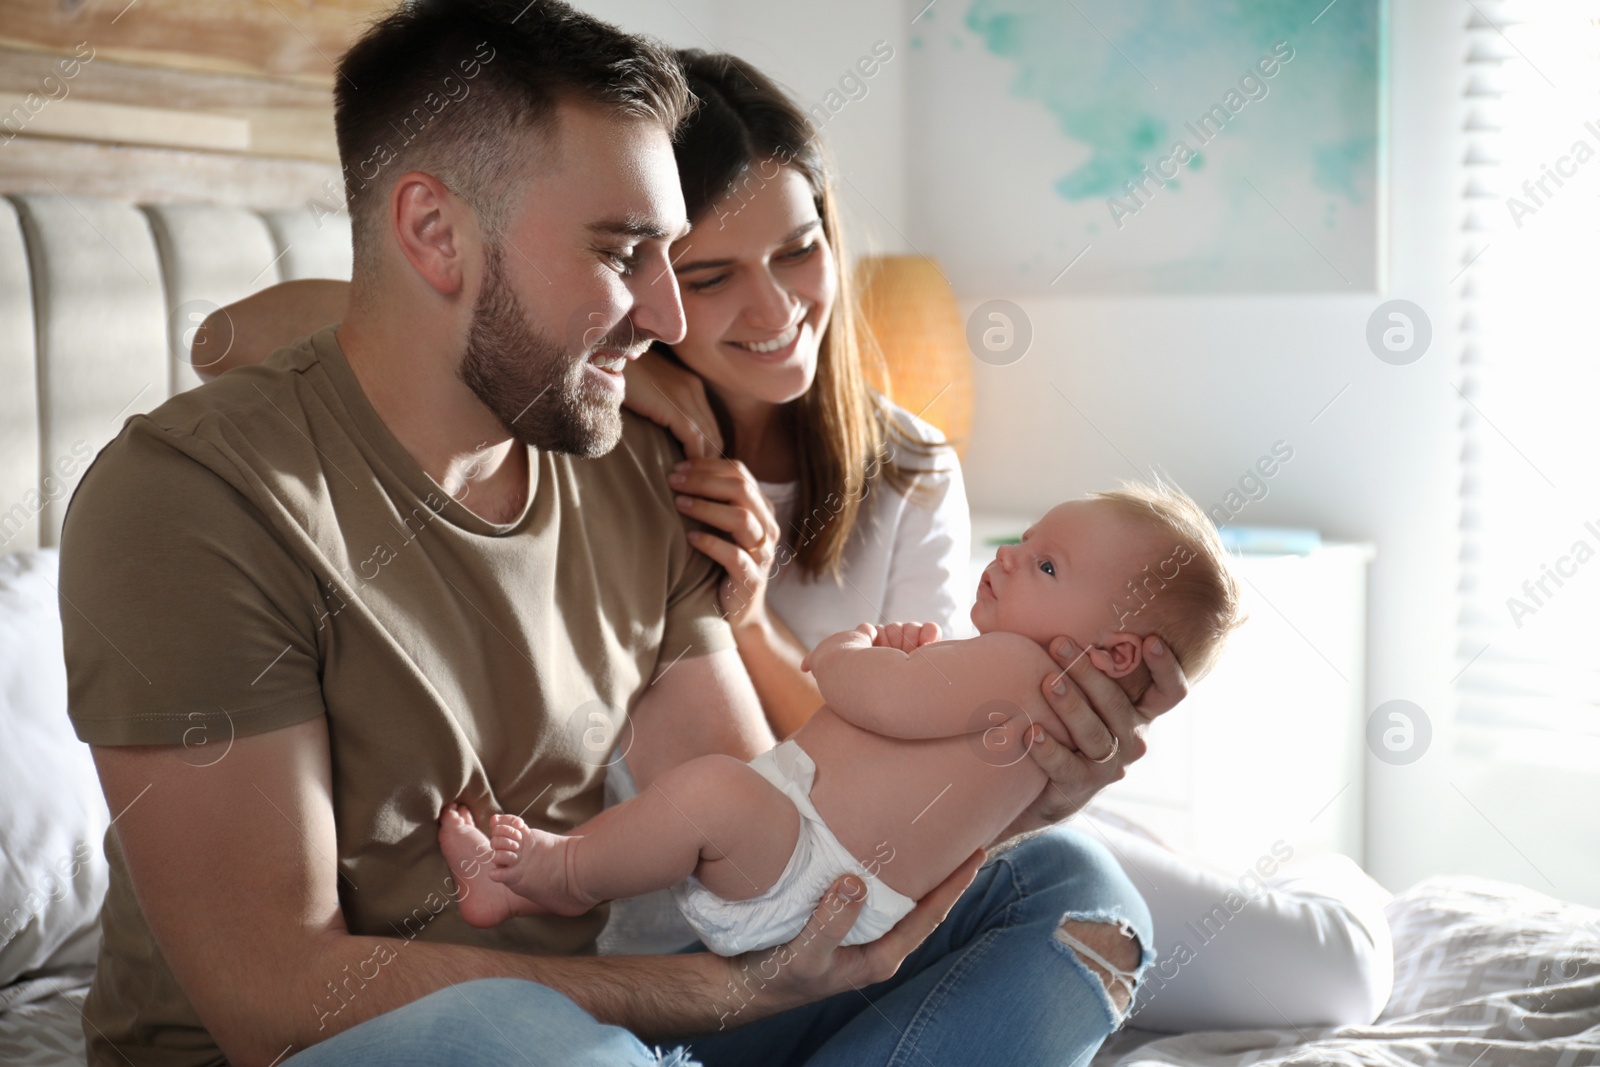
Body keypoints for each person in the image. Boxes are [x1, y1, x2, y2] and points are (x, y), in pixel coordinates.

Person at [64, 4, 1183, 1067]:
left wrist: (1004, 782)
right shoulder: (193, 501)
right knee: (522, 1037)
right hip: (371, 1043)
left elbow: (761, 817)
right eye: (623, 254)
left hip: (588, 1025)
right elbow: (272, 998)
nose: (668, 319)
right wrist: (702, 998)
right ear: (434, 234)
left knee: (1074, 891)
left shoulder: (631, 460)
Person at [444, 487, 1243, 969]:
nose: (1008, 553)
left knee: (709, 793)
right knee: (712, 796)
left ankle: (548, 875)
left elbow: (879, 702)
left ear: (1114, 650)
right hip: (827, 876)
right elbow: (918, 739)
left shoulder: (1018, 667)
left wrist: (847, 651)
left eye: (1046, 566)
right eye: (1026, 537)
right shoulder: (1028, 692)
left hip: (812, 864)